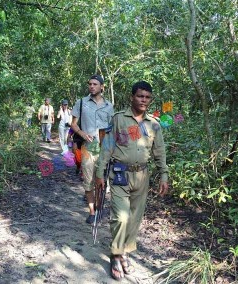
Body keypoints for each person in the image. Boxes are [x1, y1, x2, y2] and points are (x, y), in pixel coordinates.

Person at [95, 81, 169, 280]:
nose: (143, 100)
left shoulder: (153, 123)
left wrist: (164, 174)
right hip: (120, 174)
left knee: (134, 218)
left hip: (142, 176)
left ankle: (125, 251)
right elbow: (107, 146)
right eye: (140, 96)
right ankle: (116, 255)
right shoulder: (119, 119)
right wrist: (100, 172)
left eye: (147, 97)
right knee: (121, 217)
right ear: (132, 97)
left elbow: (159, 151)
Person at [70, 74, 114, 224]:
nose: (92, 86)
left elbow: (112, 128)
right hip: (87, 148)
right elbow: (73, 124)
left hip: (104, 149)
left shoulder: (109, 106)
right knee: (88, 181)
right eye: (90, 84)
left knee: (101, 180)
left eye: (95, 84)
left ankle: (99, 206)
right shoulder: (81, 103)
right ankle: (92, 212)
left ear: (102, 87)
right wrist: (82, 134)